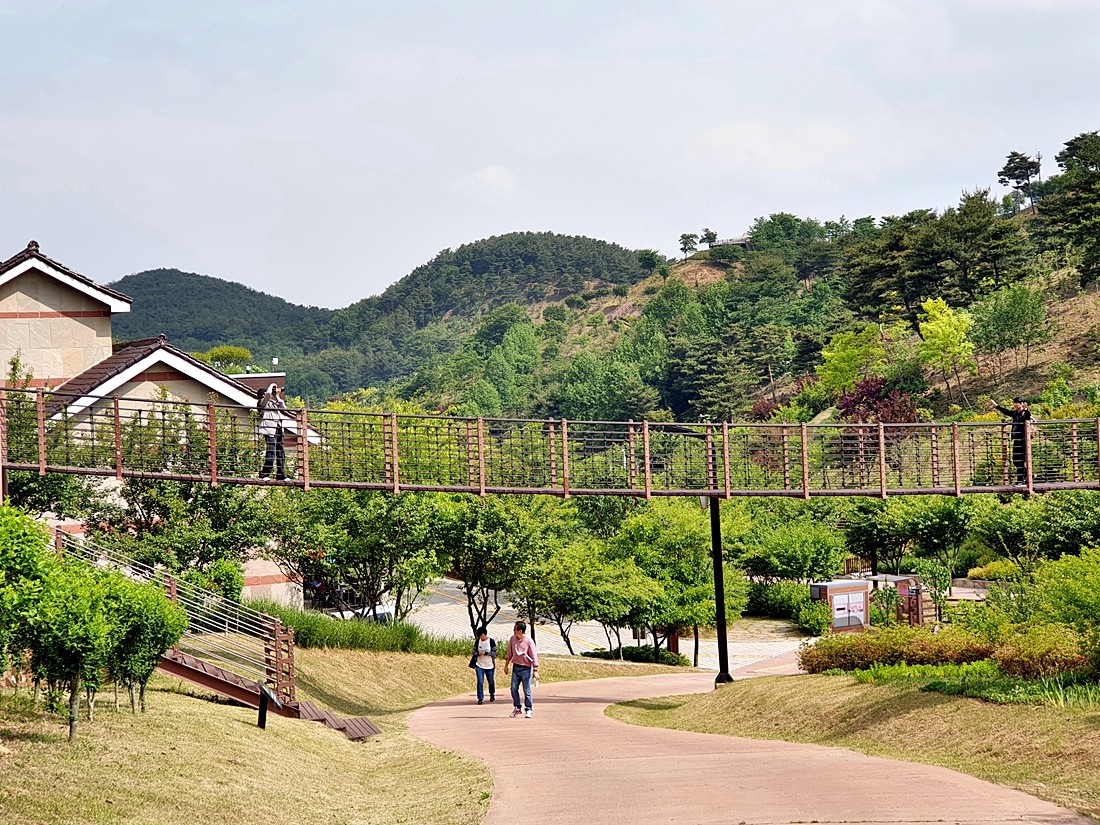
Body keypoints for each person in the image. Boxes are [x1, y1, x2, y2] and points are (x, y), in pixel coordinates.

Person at [989, 396, 1032, 486]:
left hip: (1023, 440)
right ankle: (1027, 476)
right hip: (1016, 439)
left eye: (1017, 403)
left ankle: (1022, 480)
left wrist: (1026, 409)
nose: (1015, 404)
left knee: (1020, 460)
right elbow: (1006, 411)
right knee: (1016, 460)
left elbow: (1028, 417)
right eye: (1015, 402)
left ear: (1022, 404)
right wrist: (996, 405)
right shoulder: (1015, 413)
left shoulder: (1025, 413)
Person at [504, 620, 538, 718]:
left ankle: (529, 709)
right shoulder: (512, 639)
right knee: (513, 688)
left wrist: (535, 670)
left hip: (526, 668)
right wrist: (506, 666)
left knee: (527, 690)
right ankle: (517, 707)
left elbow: (534, 655)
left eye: (515, 629)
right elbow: (509, 653)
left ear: (520, 630)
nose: (513, 630)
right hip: (516, 667)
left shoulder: (529, 641)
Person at [258, 383, 289, 480]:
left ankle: (281, 474)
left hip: (278, 429)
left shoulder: (273, 403)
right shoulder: (261, 403)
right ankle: (265, 474)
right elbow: (267, 396)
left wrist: (277, 396)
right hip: (270, 430)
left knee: (280, 453)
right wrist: (272, 386)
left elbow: (284, 407)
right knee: (271, 452)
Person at [472, 627, 497, 705]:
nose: (481, 638)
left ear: (485, 634)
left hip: (489, 665)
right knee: (480, 681)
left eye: (482, 636)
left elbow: (494, 653)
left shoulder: (491, 641)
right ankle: (480, 698)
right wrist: (478, 653)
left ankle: (492, 693)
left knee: (491, 681)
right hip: (479, 664)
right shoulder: (477, 642)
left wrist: (486, 653)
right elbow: (474, 651)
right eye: (480, 636)